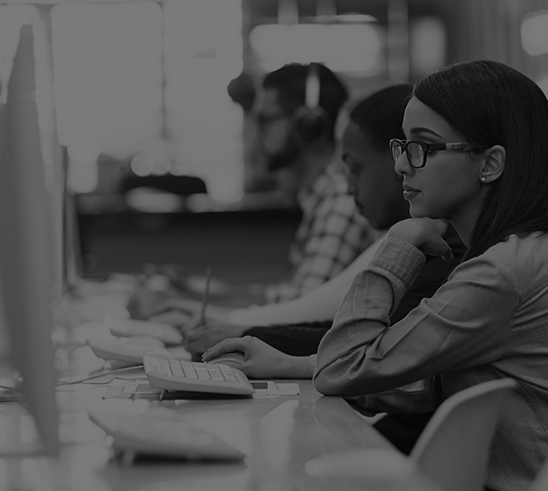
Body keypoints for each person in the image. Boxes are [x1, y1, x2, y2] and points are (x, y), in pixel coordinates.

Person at [212, 60, 548, 491]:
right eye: (402, 145)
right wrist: (292, 364)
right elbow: (422, 376)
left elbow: (344, 369)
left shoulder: (503, 273)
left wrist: (396, 245)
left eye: (424, 148)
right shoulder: (532, 249)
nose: (401, 164)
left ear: (490, 164)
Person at [183, 84, 454, 366]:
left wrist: (247, 336)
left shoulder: (433, 244)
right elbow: (355, 339)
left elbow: (367, 347)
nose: (403, 166)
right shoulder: (420, 235)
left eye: (353, 166)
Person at [131, 63, 376, 317]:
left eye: (265, 121)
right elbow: (288, 299)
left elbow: (297, 312)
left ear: (308, 126)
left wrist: (180, 300)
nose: (255, 133)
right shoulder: (321, 198)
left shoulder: (340, 201)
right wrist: (194, 289)